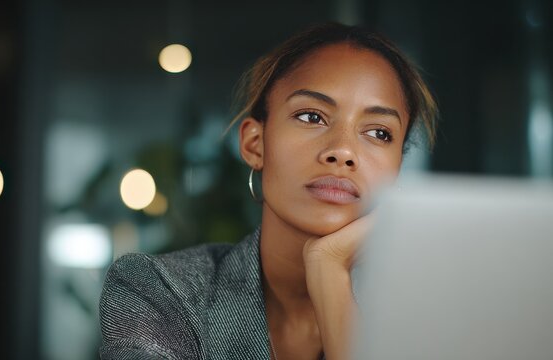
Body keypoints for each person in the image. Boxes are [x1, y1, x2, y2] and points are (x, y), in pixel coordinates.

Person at [99, 21, 438, 360]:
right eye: (311, 116)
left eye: (379, 133)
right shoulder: (160, 292)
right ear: (254, 144)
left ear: (396, 170)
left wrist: (329, 272)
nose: (343, 151)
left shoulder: (428, 316)